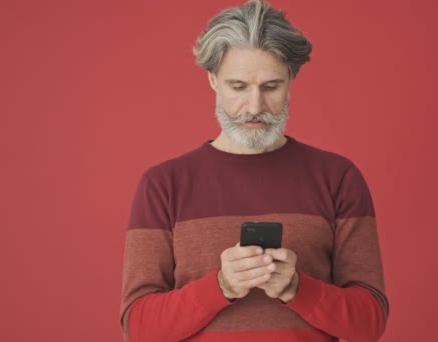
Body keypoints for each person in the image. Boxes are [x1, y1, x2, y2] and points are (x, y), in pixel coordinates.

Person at [120, 1, 389, 341]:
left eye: (270, 86)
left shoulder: (338, 178)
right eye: (238, 87)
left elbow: (370, 323)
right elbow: (138, 328)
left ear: (291, 79)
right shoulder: (162, 185)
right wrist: (221, 286)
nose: (255, 107)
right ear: (212, 80)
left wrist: (295, 288)